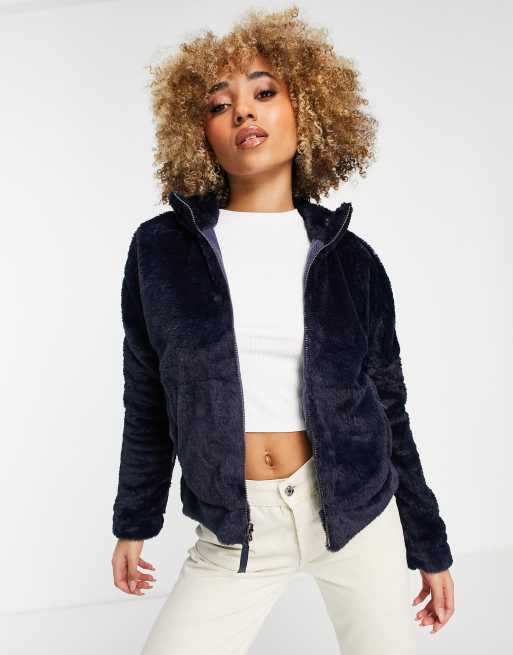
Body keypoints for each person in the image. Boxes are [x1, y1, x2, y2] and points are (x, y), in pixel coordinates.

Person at [111, 5, 455, 654]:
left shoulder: (351, 261)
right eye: (220, 104)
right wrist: (135, 518)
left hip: (356, 514)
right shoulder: (160, 251)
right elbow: (147, 393)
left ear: (309, 110)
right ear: (199, 132)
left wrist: (428, 543)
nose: (243, 112)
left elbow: (389, 407)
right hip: (236, 527)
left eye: (264, 93)